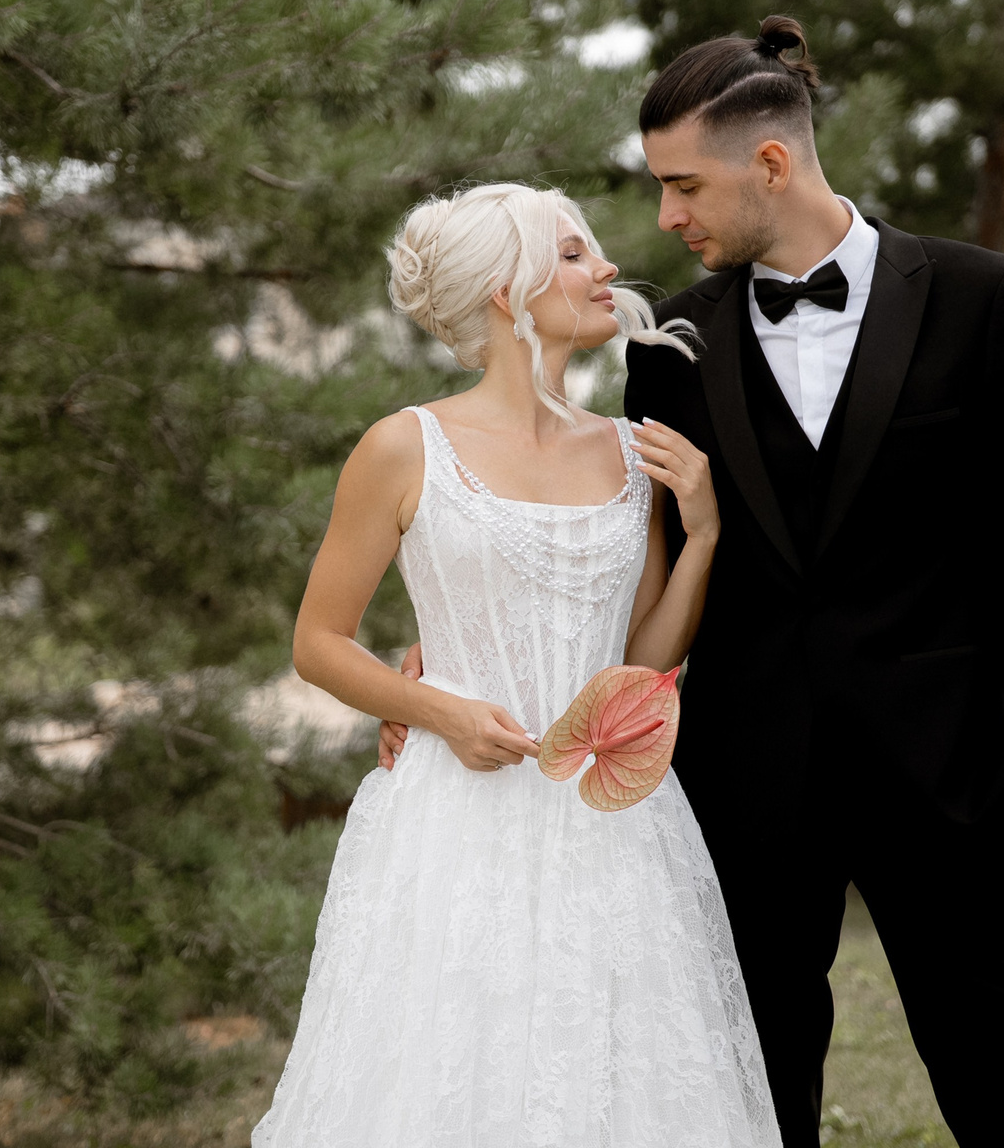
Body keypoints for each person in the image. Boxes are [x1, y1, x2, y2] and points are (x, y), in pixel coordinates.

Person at [382, 17, 1004, 1147]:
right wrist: (458, 650)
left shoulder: (986, 298)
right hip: (745, 794)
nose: (667, 218)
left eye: (684, 186)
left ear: (769, 162)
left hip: (954, 783)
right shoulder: (669, 348)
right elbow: (632, 562)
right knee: (754, 1110)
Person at [253, 183, 780, 1148]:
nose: (607, 267)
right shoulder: (403, 446)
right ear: (507, 290)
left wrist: (702, 537)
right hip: (454, 818)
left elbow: (639, 668)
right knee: (454, 1074)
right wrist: (440, 711)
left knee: (612, 1079)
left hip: (610, 821)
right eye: (573, 254)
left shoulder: (631, 453)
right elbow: (318, 642)